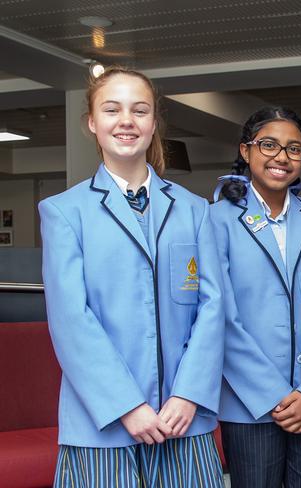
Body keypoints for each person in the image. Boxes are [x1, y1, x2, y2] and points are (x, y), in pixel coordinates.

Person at [39, 67, 225, 487]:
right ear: (91, 122)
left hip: (182, 419)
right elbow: (71, 320)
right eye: (112, 109)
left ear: (154, 123)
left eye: (139, 110)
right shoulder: (64, 212)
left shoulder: (194, 209)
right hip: (101, 422)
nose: (127, 120)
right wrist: (127, 405)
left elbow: (213, 307)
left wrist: (188, 393)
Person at [210, 106, 301, 488]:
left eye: (294, 149)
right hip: (249, 405)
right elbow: (221, 317)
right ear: (246, 150)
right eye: (268, 145)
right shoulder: (217, 220)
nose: (282, 157)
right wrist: (272, 396)